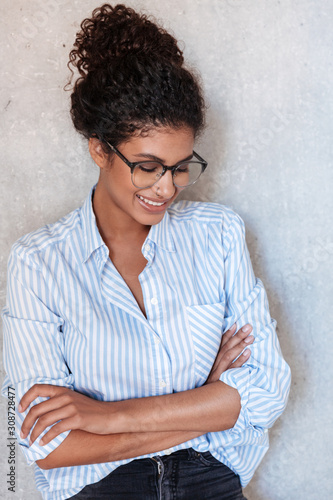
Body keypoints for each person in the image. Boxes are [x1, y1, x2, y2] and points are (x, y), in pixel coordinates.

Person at [2, 3, 291, 499]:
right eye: (147, 165)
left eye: (180, 167)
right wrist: (205, 404)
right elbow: (45, 445)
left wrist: (105, 417)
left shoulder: (218, 235)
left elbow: (265, 391)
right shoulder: (38, 263)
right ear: (99, 148)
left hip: (211, 482)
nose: (166, 187)